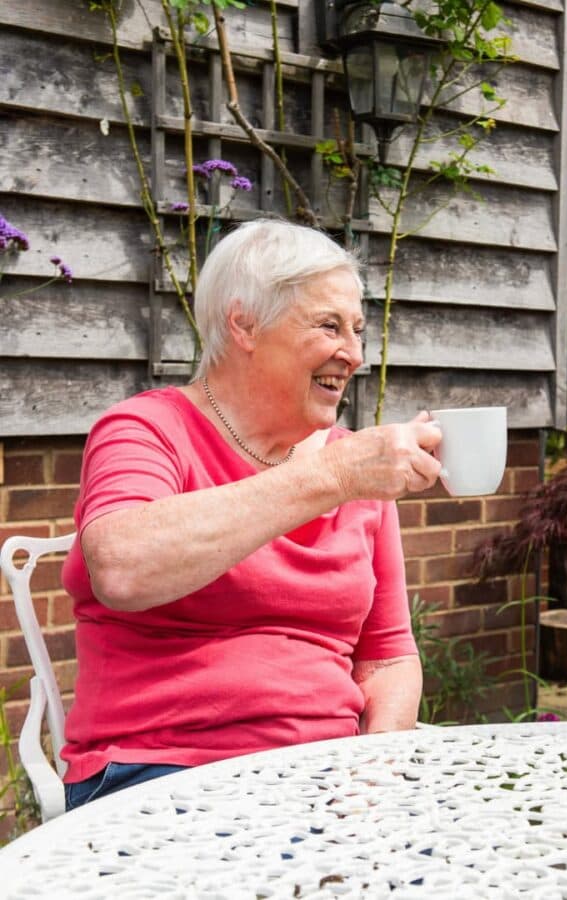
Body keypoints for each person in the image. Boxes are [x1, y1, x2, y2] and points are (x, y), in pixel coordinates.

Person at [60, 219, 443, 809]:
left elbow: (388, 656)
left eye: (358, 330)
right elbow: (122, 568)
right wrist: (333, 478)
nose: (355, 354)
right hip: (161, 769)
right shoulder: (145, 430)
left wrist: (375, 772)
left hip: (329, 775)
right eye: (329, 326)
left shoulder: (356, 466)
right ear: (244, 324)